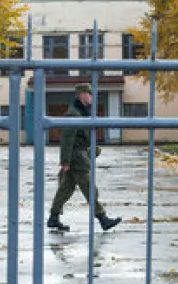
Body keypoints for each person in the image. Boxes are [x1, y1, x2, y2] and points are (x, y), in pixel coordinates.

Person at [47, 84, 122, 232]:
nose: (92, 97)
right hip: (76, 159)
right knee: (90, 189)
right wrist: (65, 162)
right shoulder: (73, 114)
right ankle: (103, 219)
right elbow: (67, 140)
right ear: (82, 95)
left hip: (78, 156)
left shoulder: (81, 112)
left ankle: (53, 218)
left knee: (65, 189)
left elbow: (82, 138)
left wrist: (91, 149)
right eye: (90, 94)